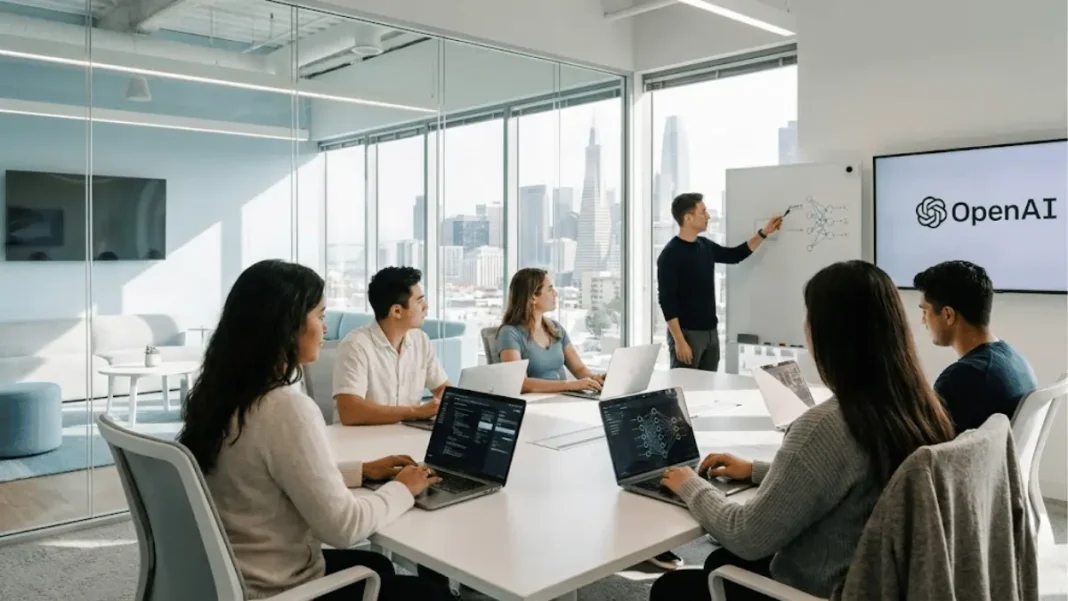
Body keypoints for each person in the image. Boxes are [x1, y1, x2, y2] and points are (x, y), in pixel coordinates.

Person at [650, 260, 955, 601]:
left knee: (672, 589)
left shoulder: (827, 425)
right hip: (879, 583)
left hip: (818, 590)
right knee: (720, 561)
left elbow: (745, 535)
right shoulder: (920, 408)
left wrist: (689, 485)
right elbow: (850, 479)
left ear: (828, 331)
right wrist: (755, 471)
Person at [177, 259, 451, 601]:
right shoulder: (286, 408)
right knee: (433, 596)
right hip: (281, 588)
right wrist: (402, 489)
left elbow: (267, 472)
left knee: (375, 566)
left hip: (238, 571)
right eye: (319, 316)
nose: (324, 329)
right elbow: (344, 528)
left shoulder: (220, 395)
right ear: (287, 326)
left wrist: (362, 471)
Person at [657, 193, 782, 371]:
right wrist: (679, 341)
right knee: (687, 389)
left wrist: (764, 233)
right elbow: (666, 301)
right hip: (687, 335)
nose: (708, 216)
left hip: (710, 333)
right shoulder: (670, 254)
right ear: (688, 218)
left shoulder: (705, 246)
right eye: (703, 212)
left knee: (708, 388)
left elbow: (735, 255)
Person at [913, 260, 1038, 432]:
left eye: (925, 311)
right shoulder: (1015, 360)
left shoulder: (961, 379)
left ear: (948, 315)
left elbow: (925, 446)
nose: (923, 320)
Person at [332, 266, 451, 426]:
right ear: (396, 311)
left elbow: (443, 389)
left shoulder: (420, 340)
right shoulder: (356, 345)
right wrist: (415, 412)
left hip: (402, 436)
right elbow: (351, 411)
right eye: (419, 300)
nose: (426, 306)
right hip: (360, 441)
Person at [495, 268, 605, 394]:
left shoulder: (556, 329)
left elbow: (580, 370)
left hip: (563, 400)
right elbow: (521, 383)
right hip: (537, 406)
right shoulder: (509, 333)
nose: (555, 293)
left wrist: (596, 379)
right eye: (550, 289)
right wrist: (570, 385)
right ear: (533, 298)